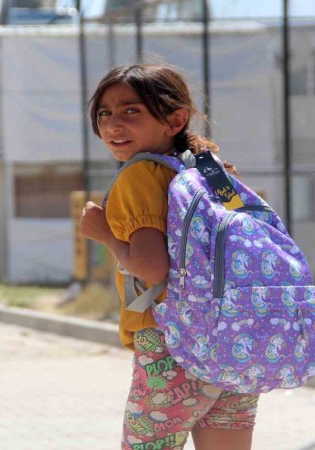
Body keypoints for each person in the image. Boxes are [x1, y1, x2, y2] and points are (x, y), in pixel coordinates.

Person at [79, 64, 259, 450]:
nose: (113, 124)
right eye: (105, 113)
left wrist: (105, 234)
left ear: (175, 120)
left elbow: (151, 267)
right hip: (236, 338)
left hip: (172, 343)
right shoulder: (212, 170)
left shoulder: (140, 175)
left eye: (131, 111)